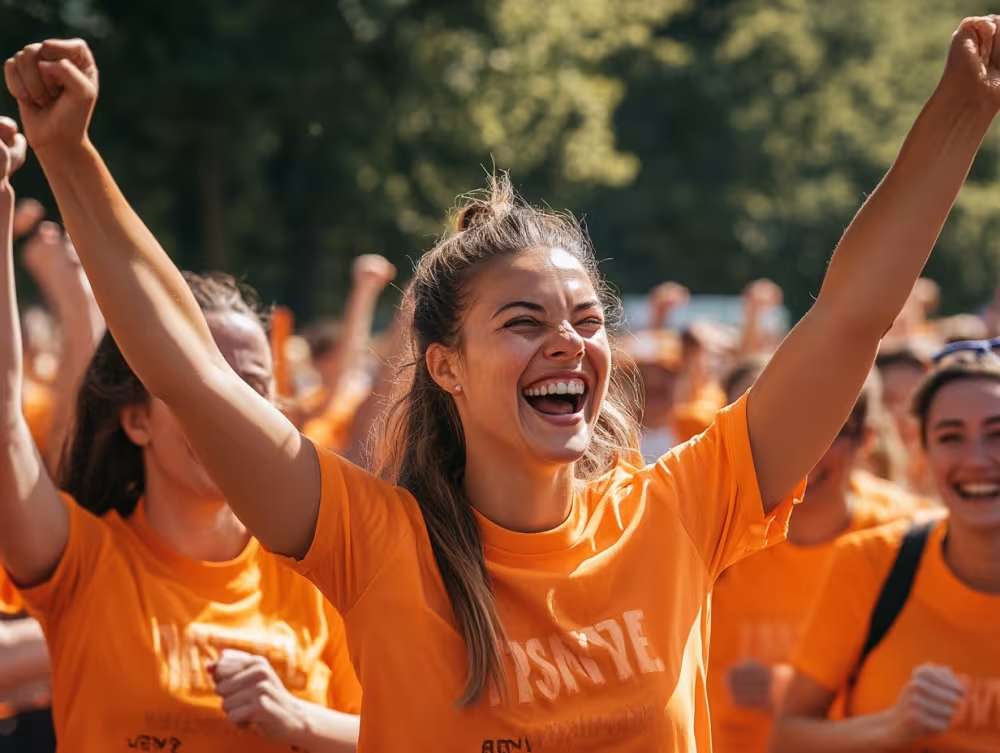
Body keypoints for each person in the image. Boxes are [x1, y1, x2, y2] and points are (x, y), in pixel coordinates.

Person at [6, 16, 998, 748]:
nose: (568, 344)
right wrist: (72, 157)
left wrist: (959, 111)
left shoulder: (684, 507)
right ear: (443, 366)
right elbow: (180, 367)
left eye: (584, 319)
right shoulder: (371, 542)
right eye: (522, 324)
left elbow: (849, 318)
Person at [0, 117, 361, 752]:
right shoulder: (81, 562)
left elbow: (402, 735)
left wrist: (297, 718)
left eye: (251, 389)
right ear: (136, 419)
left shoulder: (322, 571)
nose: (227, 413)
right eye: (197, 391)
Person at [772, 347, 1000, 752]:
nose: (977, 459)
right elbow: (787, 737)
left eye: (997, 433)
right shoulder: (872, 562)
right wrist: (891, 728)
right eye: (950, 437)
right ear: (924, 455)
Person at [708, 377, 917, 753]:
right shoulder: (713, 529)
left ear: (866, 439)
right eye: (789, 427)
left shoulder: (908, 537)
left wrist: (786, 688)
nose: (807, 450)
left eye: (831, 430)